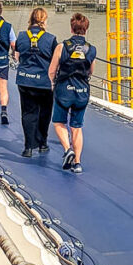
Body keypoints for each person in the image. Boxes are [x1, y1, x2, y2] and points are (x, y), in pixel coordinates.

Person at [48, 13, 96, 174]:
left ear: (71, 28)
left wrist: (53, 83)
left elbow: (52, 70)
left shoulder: (62, 47)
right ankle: (77, 163)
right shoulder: (91, 49)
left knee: (59, 122)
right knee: (77, 126)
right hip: (82, 91)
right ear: (86, 29)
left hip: (64, 90)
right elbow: (91, 71)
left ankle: (68, 149)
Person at [14, 7, 57, 157]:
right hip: (44, 82)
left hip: (25, 80)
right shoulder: (51, 39)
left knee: (28, 112)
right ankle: (42, 142)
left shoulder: (21, 36)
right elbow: (54, 60)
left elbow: (17, 54)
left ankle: (28, 147)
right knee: (44, 113)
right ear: (44, 20)